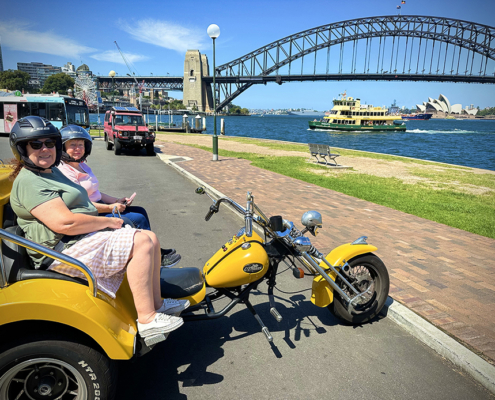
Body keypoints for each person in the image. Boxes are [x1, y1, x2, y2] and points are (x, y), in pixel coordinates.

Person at [8, 116, 188, 338]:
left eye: (49, 143)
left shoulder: (50, 172)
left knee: (149, 237)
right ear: (22, 149)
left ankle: (157, 304)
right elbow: (65, 222)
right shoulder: (30, 181)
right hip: (59, 251)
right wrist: (110, 221)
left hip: (77, 239)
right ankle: (147, 319)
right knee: (140, 241)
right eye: (36, 144)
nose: (45, 149)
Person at [56, 125, 180, 267]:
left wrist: (115, 200)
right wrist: (111, 208)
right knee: (137, 219)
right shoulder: (64, 171)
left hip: (99, 205)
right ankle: (153, 258)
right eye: (72, 145)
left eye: (81, 144)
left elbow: (95, 192)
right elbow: (80, 205)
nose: (78, 148)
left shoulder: (81, 165)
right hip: (89, 213)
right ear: (63, 147)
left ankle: (154, 250)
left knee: (140, 211)